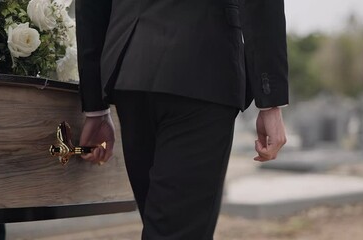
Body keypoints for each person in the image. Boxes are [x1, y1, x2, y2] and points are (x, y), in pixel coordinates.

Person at [75, 0, 288, 239]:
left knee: (163, 225)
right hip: (203, 69)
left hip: (130, 68)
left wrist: (96, 107)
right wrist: (270, 100)